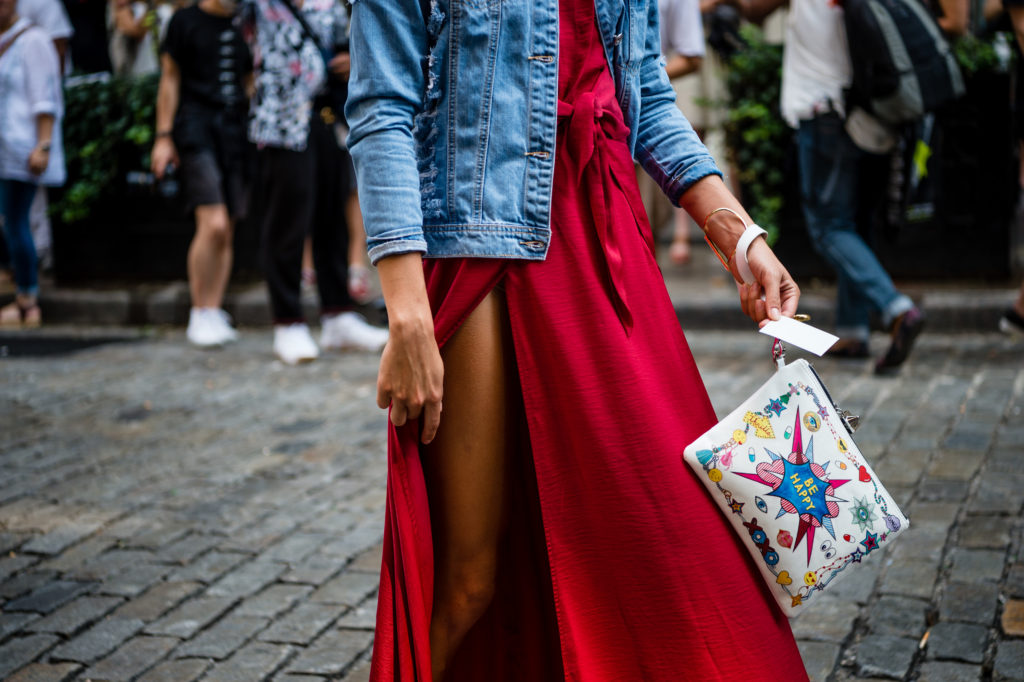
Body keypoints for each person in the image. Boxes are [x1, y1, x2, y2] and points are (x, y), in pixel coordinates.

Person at [347, 0, 805, 679]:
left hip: (608, 248)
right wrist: (407, 314)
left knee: (677, 539)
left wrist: (738, 236)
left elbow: (644, 94)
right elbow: (382, 106)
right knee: (469, 576)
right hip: (483, 249)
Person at [734, 0, 926, 373]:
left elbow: (752, 9)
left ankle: (897, 308)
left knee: (829, 227)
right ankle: (854, 331)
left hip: (824, 109)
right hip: (870, 111)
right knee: (855, 224)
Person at [240, 0, 388, 365]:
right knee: (287, 222)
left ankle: (338, 314)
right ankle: (287, 321)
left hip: (327, 115)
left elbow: (344, 42)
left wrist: (351, 60)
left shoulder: (331, 3)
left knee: (332, 216)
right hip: (279, 119)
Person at [150, 0, 251, 347]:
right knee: (214, 223)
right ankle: (199, 309)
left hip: (235, 133)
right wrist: (163, 137)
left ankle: (214, 309)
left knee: (229, 227)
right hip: (195, 131)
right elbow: (169, 79)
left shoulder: (245, 23)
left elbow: (249, 80)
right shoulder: (184, 21)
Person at [0, 0, 65, 327]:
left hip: (23, 150)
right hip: (4, 150)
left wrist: (43, 144)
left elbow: (45, 97)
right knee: (10, 221)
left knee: (16, 221)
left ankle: (28, 302)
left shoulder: (33, 40)